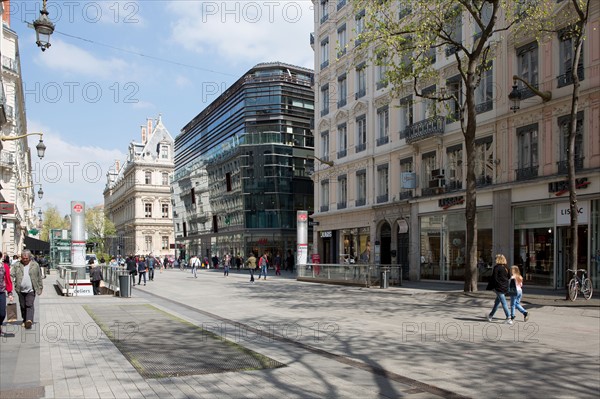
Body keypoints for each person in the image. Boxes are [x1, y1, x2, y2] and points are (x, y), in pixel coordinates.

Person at [10, 250, 43, 329]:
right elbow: (11, 275)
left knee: (29, 304)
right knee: (22, 306)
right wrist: (10, 286)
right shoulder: (17, 265)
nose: (25, 260)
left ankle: (29, 320)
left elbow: (39, 277)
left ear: (29, 258)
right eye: (23, 258)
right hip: (20, 290)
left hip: (31, 289)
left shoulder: (35, 265)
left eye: (26, 258)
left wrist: (40, 287)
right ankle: (24, 319)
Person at [486, 254, 512, 324]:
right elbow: (509, 277)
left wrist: (493, 287)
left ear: (498, 259)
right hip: (505, 287)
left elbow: (494, 278)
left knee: (504, 303)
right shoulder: (506, 267)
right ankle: (490, 316)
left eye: (495, 258)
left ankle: (508, 317)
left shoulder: (496, 267)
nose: (495, 260)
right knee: (497, 303)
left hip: (499, 287)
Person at [0, 252, 14, 336]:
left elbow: (8, 280)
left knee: (2, 313)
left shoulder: (4, 266)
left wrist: (10, 293)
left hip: (1, 292)